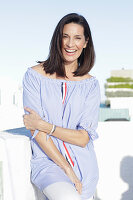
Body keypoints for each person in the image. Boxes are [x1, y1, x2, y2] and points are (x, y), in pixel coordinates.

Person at [23, 13, 101, 200]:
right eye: (65, 36)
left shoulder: (90, 84)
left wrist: (45, 126)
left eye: (77, 38)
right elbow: (37, 132)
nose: (70, 44)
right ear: (57, 39)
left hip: (84, 165)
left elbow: (83, 138)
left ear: (86, 42)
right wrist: (66, 168)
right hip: (49, 163)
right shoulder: (34, 77)